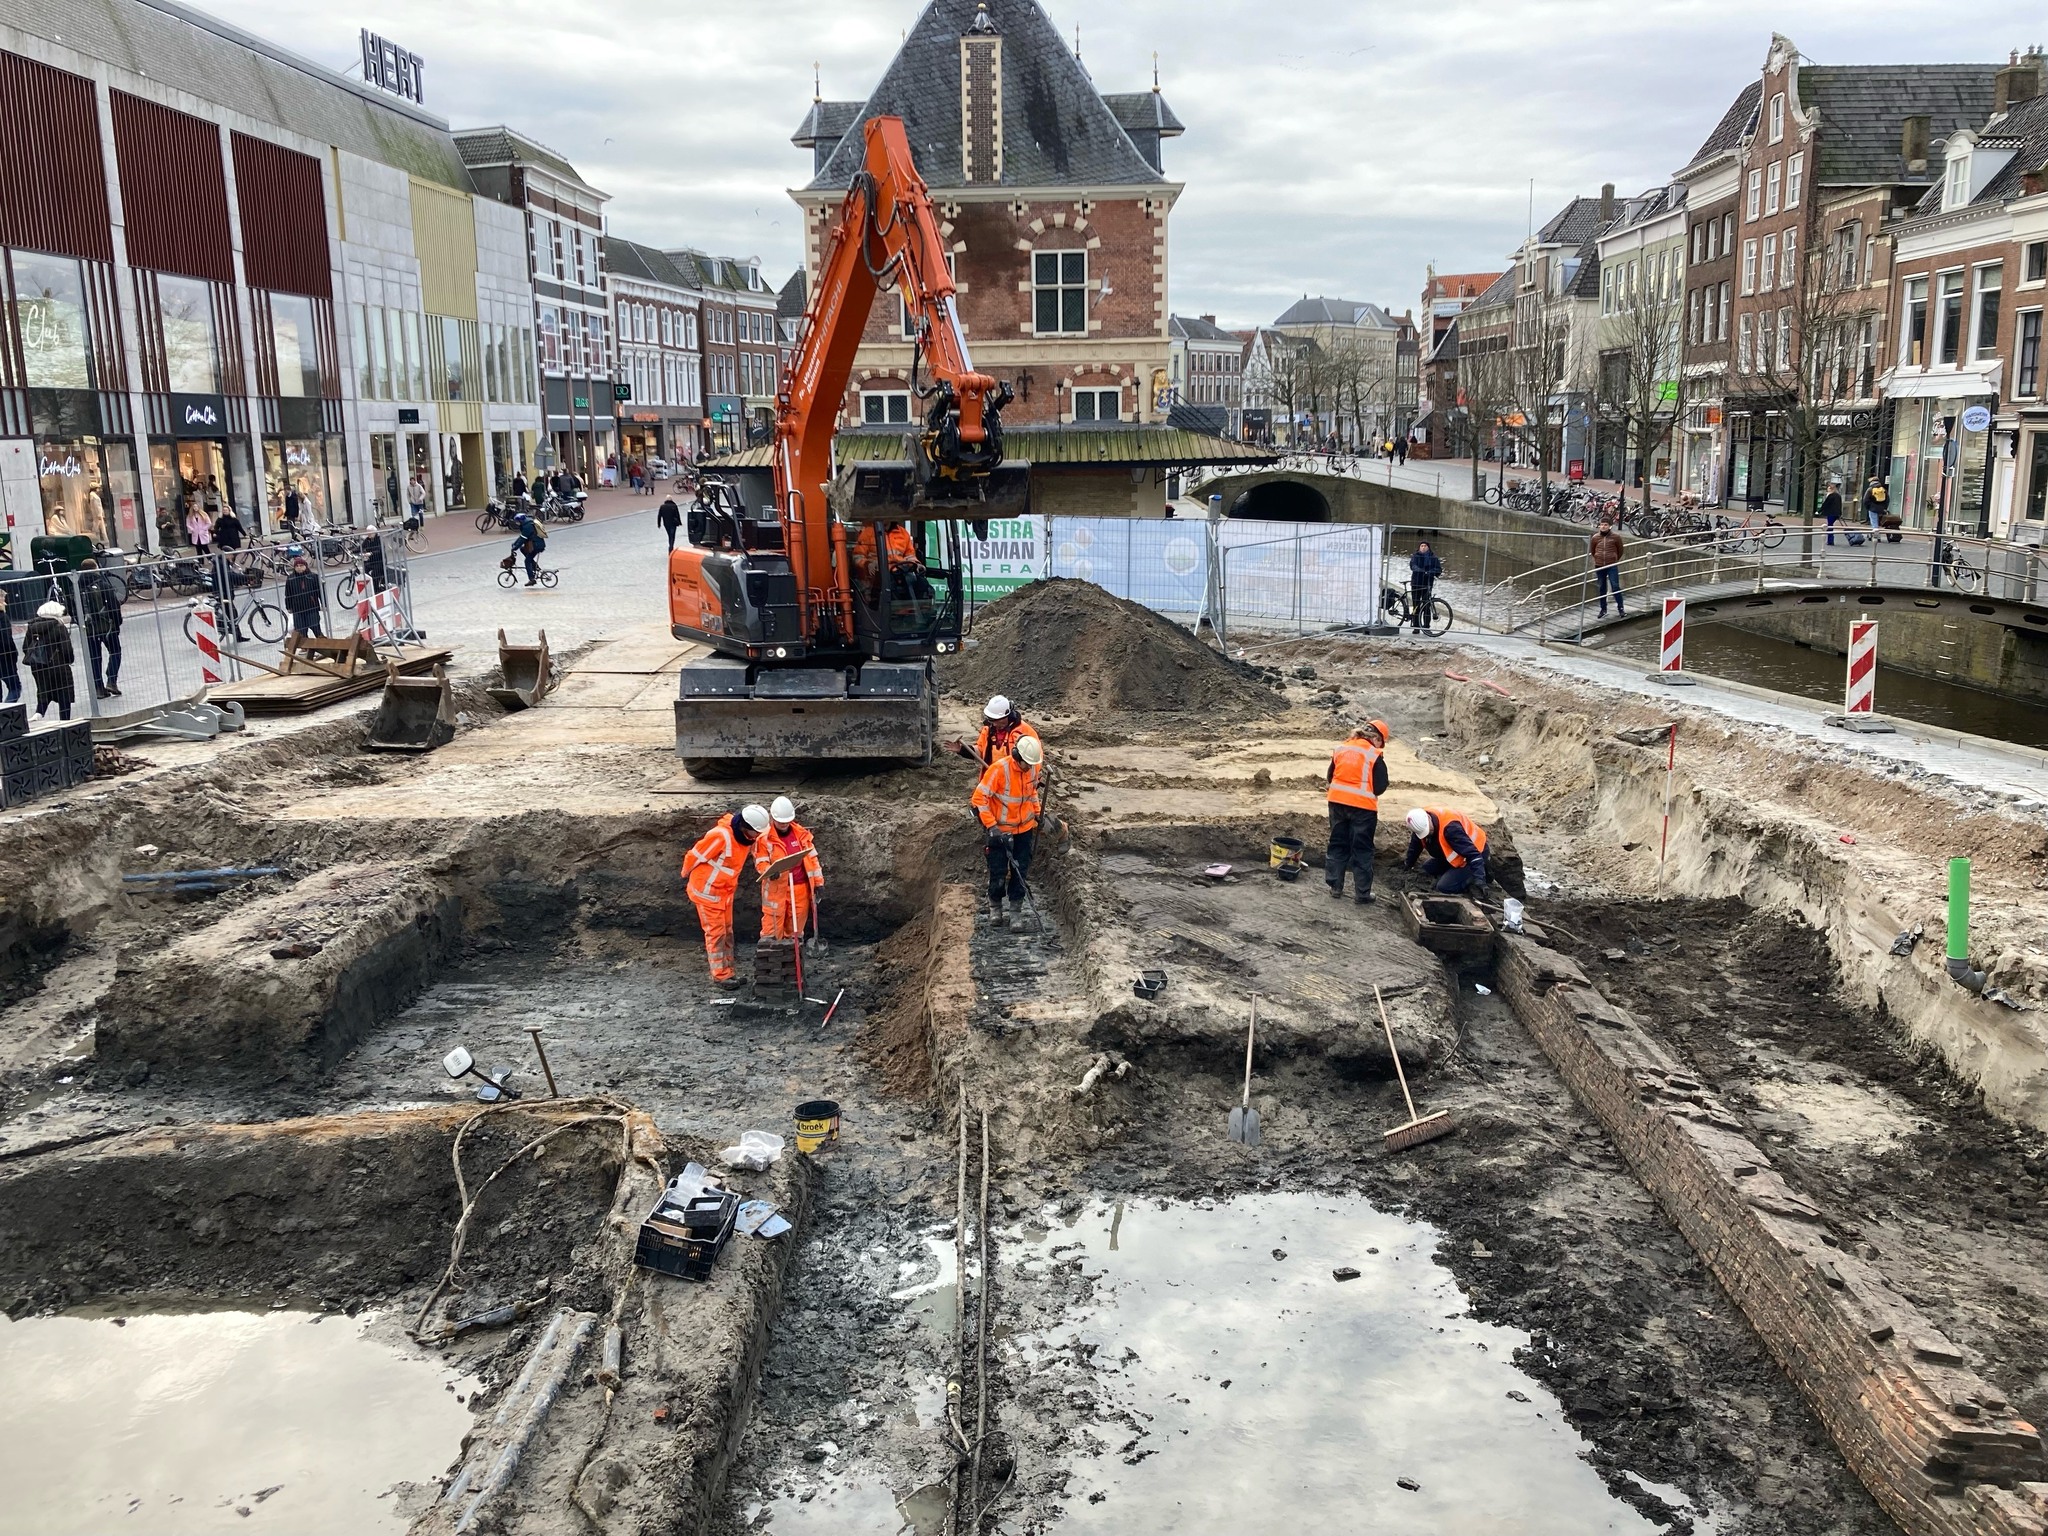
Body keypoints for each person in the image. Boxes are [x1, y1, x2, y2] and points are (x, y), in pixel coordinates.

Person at [681, 804, 769, 986]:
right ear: (745, 827)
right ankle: (720, 976)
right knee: (716, 934)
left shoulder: (746, 837)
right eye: (756, 832)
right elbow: (694, 856)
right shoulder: (720, 836)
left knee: (727, 932)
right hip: (707, 893)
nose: (758, 836)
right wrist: (685, 873)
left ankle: (728, 972)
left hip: (724, 893)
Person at [972, 733, 1044, 928]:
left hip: (1024, 830)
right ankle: (995, 907)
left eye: (1032, 764)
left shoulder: (1032, 768)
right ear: (1016, 756)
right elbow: (979, 799)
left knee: (1020, 871)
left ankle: (1015, 911)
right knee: (998, 871)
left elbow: (1032, 793)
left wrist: (1037, 813)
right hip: (1000, 832)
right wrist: (991, 826)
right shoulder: (999, 770)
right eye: (1026, 764)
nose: (1029, 768)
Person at [1324, 720, 1390, 904]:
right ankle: (1362, 894)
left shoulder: (1341, 748)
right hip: (1363, 808)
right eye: (1381, 743)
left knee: (1338, 844)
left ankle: (1335, 887)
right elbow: (1379, 787)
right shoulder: (1374, 754)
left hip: (1337, 803)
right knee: (1362, 849)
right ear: (1377, 738)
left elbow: (1330, 776)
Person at [755, 796, 824, 947]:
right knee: (772, 930)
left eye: (786, 821)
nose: (784, 824)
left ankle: (793, 955)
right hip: (776, 889)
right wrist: (769, 871)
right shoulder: (765, 839)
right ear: (773, 818)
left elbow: (812, 860)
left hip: (800, 889)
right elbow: (761, 861)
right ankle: (771, 955)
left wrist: (818, 883)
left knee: (795, 929)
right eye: (780, 821)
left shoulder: (801, 835)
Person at [1403, 806, 1489, 896]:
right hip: (1456, 854)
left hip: (1475, 856)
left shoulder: (1451, 829)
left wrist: (1480, 880)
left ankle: (1477, 875)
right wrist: (1408, 864)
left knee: (1444, 887)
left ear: (1428, 818)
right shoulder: (1419, 822)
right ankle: (1453, 873)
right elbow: (1415, 845)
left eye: (1428, 830)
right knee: (1427, 869)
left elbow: (1473, 855)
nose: (1427, 834)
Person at [22, 600, 75, 721]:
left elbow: (25, 647)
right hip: (58, 666)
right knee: (64, 692)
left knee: (43, 688)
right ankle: (65, 719)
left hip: (38, 666)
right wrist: (69, 660)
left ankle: (39, 713)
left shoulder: (32, 627)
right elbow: (66, 649)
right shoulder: (59, 626)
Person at [78, 559, 123, 700]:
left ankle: (99, 688)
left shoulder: (77, 587)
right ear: (95, 568)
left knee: (94, 658)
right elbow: (114, 606)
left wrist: (80, 623)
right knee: (115, 652)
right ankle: (111, 680)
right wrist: (117, 623)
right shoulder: (103, 584)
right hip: (107, 627)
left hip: (89, 629)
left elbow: (73, 609)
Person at [962, 694, 1039, 767]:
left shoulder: (1025, 732)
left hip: (1015, 776)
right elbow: (981, 751)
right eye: (992, 720)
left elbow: (1033, 761)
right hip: (993, 775)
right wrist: (961, 750)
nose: (994, 724)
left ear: (1007, 715)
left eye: (997, 720)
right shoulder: (988, 730)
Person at [1590, 521, 1625, 618]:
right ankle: (1603, 609)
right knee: (1602, 587)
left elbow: (1620, 550)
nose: (1603, 526)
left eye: (1605, 525)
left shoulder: (1616, 537)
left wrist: (1614, 559)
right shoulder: (1595, 537)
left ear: (1610, 526)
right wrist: (1598, 558)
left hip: (1611, 565)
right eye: (1601, 525)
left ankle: (1621, 608)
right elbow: (1593, 551)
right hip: (1599, 565)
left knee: (1615, 586)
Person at [1408, 542, 1443, 634]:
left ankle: (1426, 627)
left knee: (1427, 606)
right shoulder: (1415, 556)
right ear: (1419, 547)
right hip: (1416, 583)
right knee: (1416, 605)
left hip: (1427, 584)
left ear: (1428, 548)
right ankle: (1416, 626)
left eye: (1425, 546)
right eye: (1422, 546)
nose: (1423, 547)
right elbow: (1413, 566)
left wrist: (1430, 573)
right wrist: (1422, 571)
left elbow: (1438, 569)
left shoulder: (1433, 557)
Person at [284, 555, 323, 637]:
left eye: (301, 566)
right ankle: (305, 644)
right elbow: (288, 594)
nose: (299, 568)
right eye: (297, 566)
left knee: (316, 628)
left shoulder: (313, 577)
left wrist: (323, 603)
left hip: (311, 607)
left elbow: (320, 592)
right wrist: (288, 607)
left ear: (305, 566)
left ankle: (323, 642)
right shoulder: (290, 579)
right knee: (301, 632)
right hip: (297, 609)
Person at [508, 510, 547, 586]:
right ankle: (534, 566)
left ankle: (531, 579)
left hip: (536, 546)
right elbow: (521, 537)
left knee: (527, 561)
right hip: (535, 544)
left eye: (517, 521)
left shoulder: (527, 526)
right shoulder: (528, 523)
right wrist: (515, 544)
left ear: (520, 520)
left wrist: (515, 547)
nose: (517, 523)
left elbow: (523, 538)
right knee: (523, 549)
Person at [0, 603, 19, 704]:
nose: (5, 603)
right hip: (5, 659)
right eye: (3, 598)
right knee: (15, 688)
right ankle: (5, 710)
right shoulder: (2, 617)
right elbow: (6, 640)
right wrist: (13, 655)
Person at [1820, 477, 1844, 546]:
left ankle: (1830, 540)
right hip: (1836, 513)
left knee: (1830, 526)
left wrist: (1819, 511)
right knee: (1830, 525)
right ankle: (1830, 540)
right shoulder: (1838, 496)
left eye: (1828, 489)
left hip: (1831, 513)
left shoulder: (1831, 496)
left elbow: (1825, 504)